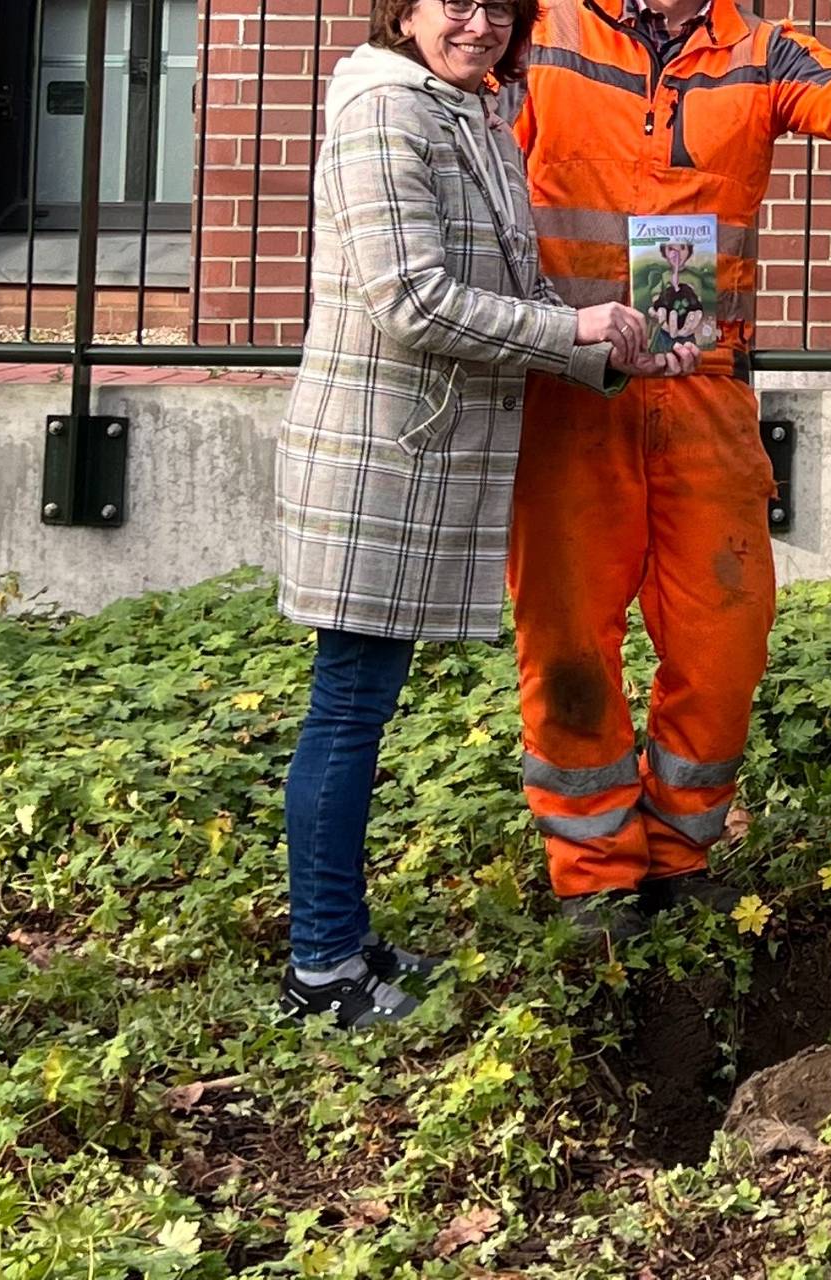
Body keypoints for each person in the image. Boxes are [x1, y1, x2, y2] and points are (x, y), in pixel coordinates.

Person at [507, 0, 831, 935]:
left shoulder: (756, 48)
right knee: (567, 637)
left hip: (704, 383)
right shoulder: (542, 34)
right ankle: (594, 874)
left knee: (724, 636)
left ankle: (679, 850)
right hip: (572, 385)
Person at [273, 0, 670, 1025]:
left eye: (500, 5)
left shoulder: (471, 110)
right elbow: (411, 299)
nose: (480, 23)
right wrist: (573, 330)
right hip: (376, 458)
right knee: (347, 706)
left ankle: (343, 938)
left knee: (361, 703)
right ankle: (321, 967)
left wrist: (611, 346)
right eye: (455, 1)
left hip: (421, 460)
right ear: (403, 11)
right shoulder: (384, 111)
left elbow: (515, 282)